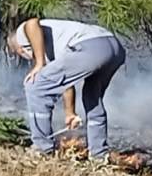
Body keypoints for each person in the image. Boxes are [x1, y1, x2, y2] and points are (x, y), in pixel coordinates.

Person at [7, 17, 126, 163]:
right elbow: (65, 82)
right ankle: (99, 155)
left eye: (20, 54)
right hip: (113, 47)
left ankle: (42, 149)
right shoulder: (54, 49)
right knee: (92, 97)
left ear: (19, 49)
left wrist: (39, 63)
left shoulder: (22, 35)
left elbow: (32, 23)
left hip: (89, 46)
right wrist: (70, 113)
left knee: (35, 85)